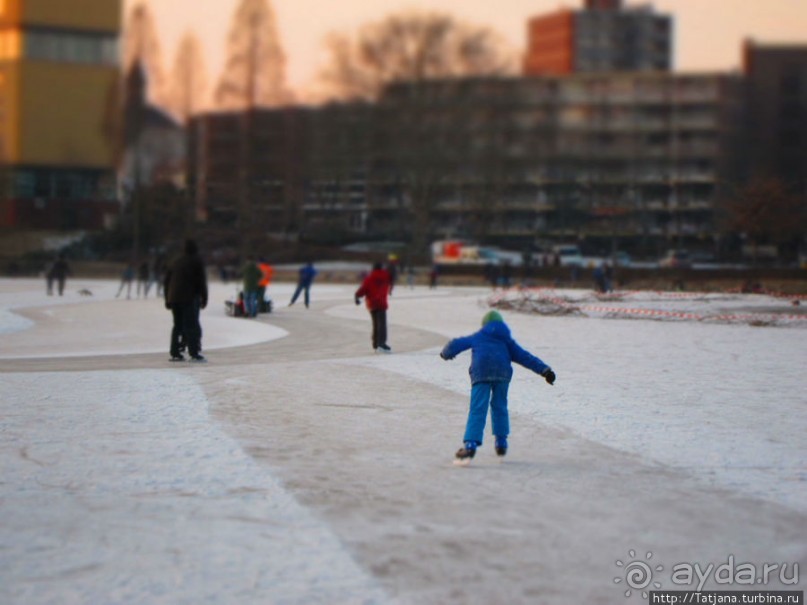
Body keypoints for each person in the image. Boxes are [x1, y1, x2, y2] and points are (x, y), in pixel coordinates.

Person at [440, 310, 556, 464]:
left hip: (481, 372)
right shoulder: (507, 341)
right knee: (500, 406)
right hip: (502, 374)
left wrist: (446, 353)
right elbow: (524, 356)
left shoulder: (479, 336)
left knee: (478, 408)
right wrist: (545, 370)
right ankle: (501, 442)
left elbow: (457, 343)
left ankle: (470, 444)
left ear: (485, 325)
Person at [163, 239, 208, 362]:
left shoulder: (175, 261)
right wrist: (204, 297)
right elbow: (201, 281)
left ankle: (175, 352)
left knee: (177, 326)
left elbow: (167, 281)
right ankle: (194, 352)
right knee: (191, 325)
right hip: (189, 297)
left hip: (174, 297)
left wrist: (167, 298)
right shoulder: (196, 261)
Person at [355, 261, 392, 352]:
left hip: (371, 303)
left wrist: (357, 296)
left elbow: (363, 289)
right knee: (382, 324)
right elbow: (392, 276)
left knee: (375, 324)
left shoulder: (369, 278)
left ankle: (375, 343)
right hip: (381, 302)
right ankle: (381, 343)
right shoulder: (385, 275)